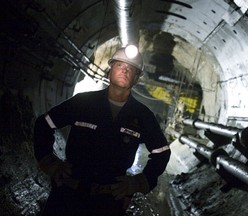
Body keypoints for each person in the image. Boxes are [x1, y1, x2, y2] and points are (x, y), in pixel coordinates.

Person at [33, 45, 171, 216]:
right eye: (120, 65)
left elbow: (162, 152)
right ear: (110, 70)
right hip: (69, 192)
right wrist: (49, 161)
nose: (124, 70)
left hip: (108, 200)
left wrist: (138, 182)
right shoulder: (83, 102)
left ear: (136, 78)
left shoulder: (142, 115)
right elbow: (44, 124)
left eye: (131, 69)